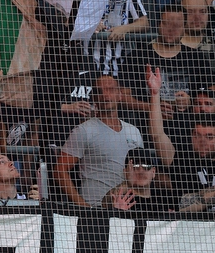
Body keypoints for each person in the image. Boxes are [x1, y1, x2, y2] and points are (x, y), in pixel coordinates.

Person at [55, 74, 144, 208]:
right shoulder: (84, 130)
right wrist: (83, 206)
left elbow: (143, 172)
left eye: (111, 89)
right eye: (99, 91)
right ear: (94, 98)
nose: (105, 95)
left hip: (130, 210)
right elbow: (60, 170)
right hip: (95, 212)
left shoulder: (134, 132)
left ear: (120, 95)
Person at [147, 65, 215, 207]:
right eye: (197, 135)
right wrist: (155, 94)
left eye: (209, 137)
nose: (202, 141)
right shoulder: (182, 158)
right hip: (189, 226)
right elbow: (157, 135)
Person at [101, 148, 164, 212]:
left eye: (146, 166)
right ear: (126, 172)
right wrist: (128, 183)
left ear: (153, 172)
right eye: (135, 166)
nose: (141, 171)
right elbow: (105, 202)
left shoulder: (163, 200)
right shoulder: (121, 200)